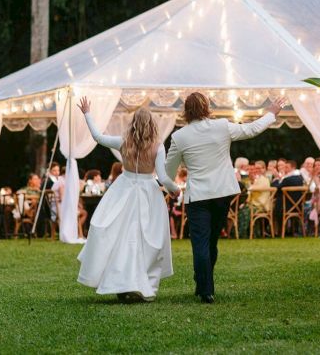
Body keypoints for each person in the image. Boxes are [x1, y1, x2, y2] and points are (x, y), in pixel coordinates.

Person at [165, 92, 286, 303]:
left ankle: (205, 287)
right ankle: (204, 284)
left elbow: (168, 170)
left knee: (201, 242)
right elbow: (251, 130)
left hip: (198, 197)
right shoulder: (222, 126)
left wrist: (171, 188)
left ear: (186, 111)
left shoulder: (179, 136)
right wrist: (271, 113)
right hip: (222, 194)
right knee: (211, 241)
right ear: (207, 107)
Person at [76, 96, 179, 303]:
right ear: (152, 125)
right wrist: (174, 189)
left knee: (120, 237)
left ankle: (123, 282)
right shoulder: (158, 147)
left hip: (123, 191)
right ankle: (143, 284)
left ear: (133, 124)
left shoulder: (123, 142)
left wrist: (87, 113)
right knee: (148, 239)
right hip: (148, 193)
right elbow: (163, 176)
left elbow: (97, 137)